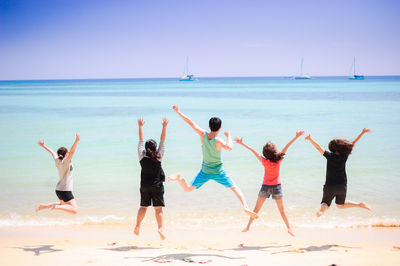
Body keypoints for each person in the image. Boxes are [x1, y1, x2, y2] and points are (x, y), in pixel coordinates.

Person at [168, 105, 258, 219]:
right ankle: (245, 207)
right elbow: (230, 147)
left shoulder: (203, 134)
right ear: (220, 128)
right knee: (235, 188)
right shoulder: (219, 141)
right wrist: (229, 135)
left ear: (209, 126)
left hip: (205, 171)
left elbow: (191, 123)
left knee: (187, 189)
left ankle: (179, 178)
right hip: (218, 172)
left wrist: (178, 111)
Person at [235, 131, 304, 236]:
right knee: (282, 211)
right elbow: (287, 146)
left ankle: (248, 226)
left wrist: (242, 143)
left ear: (265, 154)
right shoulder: (278, 160)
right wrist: (296, 136)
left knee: (256, 209)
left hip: (265, 187)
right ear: (274, 151)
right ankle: (289, 228)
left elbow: (253, 151)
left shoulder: (264, 161)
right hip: (277, 187)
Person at [305, 128, 372, 217]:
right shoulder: (344, 156)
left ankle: (321, 211)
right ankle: (359, 204)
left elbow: (318, 148)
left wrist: (310, 139)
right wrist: (362, 132)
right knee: (340, 205)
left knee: (325, 203)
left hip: (330, 185)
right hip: (342, 186)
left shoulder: (329, 156)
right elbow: (353, 144)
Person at [134, 118, 168, 240]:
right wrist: (164, 126)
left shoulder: (141, 156)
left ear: (146, 149)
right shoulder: (159, 156)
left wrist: (140, 126)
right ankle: (160, 228)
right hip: (157, 186)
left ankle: (137, 226)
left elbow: (140, 141)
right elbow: (162, 140)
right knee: (158, 209)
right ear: (155, 148)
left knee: (143, 207)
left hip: (144, 186)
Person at [36, 134, 80, 214]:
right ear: (66, 154)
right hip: (65, 190)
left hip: (59, 190)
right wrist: (76, 141)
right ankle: (56, 207)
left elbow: (52, 152)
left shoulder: (57, 161)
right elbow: (72, 151)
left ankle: (44, 206)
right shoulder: (66, 161)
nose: (69, 153)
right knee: (74, 210)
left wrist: (44, 146)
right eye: (68, 152)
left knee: (62, 204)